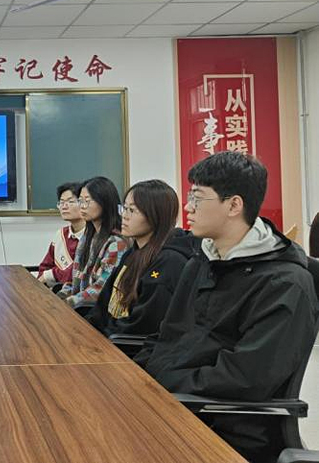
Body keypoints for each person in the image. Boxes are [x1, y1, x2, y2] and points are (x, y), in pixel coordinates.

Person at [136, 152, 318, 463]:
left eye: (197, 198)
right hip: (174, 407)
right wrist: (137, 375)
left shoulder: (285, 284)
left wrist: (159, 382)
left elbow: (245, 378)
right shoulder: (201, 262)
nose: (188, 208)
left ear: (234, 205)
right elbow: (168, 336)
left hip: (225, 432)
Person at [88, 179, 191, 337]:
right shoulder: (132, 253)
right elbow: (103, 306)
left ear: (155, 215)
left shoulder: (169, 261)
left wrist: (103, 336)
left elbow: (142, 325)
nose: (124, 216)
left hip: (125, 345)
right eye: (124, 208)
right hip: (110, 337)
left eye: (132, 210)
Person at [59, 176, 129, 308]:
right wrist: (60, 296)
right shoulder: (87, 237)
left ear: (104, 202)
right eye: (80, 201)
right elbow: (75, 278)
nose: (82, 206)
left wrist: (69, 302)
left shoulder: (116, 243)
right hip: (79, 307)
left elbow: (101, 288)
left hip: (96, 312)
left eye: (87, 201)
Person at [37, 181, 85, 287]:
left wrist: (51, 275)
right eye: (61, 202)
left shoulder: (93, 236)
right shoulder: (60, 234)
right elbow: (44, 268)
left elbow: (78, 271)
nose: (64, 206)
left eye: (70, 202)